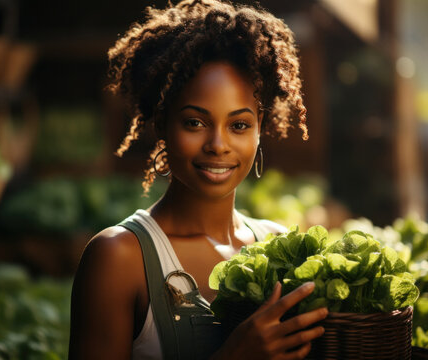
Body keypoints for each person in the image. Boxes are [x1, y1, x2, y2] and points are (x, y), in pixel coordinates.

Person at [69, 0, 328, 359]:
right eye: (195, 122)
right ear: (161, 123)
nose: (218, 145)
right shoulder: (119, 258)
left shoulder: (279, 249)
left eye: (239, 125)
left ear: (260, 130)